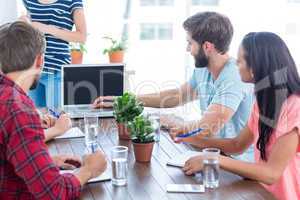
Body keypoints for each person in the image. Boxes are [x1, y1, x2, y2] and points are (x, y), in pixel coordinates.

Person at [93, 12, 254, 162]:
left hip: (237, 163)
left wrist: (173, 123)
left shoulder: (234, 76)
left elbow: (208, 128)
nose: (187, 49)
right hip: (212, 154)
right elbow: (178, 96)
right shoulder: (203, 69)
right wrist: (127, 100)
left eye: (190, 43)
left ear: (207, 47)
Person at [182, 32, 300, 200]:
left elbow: (271, 173)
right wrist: (189, 138)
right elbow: (237, 144)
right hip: (260, 193)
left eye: (239, 61)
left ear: (255, 67)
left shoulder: (295, 107)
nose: (235, 65)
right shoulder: (263, 102)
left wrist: (213, 159)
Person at [0, 21, 106, 199]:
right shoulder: (19, 109)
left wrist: (45, 164)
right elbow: (53, 193)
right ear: (40, 60)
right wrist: (88, 170)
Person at [21, 0, 87, 108]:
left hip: (56, 71)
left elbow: (82, 36)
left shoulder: (72, 1)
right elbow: (26, 26)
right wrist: (23, 23)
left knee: (56, 117)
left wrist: (47, 29)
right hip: (33, 70)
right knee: (37, 120)